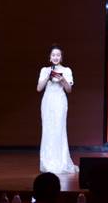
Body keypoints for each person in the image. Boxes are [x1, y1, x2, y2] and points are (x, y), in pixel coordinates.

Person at [37, 44, 78, 174]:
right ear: (50, 57)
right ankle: (47, 162)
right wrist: (48, 76)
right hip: (47, 102)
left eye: (58, 55)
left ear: (61, 57)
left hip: (60, 101)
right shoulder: (45, 70)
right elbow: (39, 88)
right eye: (53, 55)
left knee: (59, 130)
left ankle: (61, 162)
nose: (55, 57)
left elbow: (69, 90)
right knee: (48, 130)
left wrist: (62, 80)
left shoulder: (66, 70)